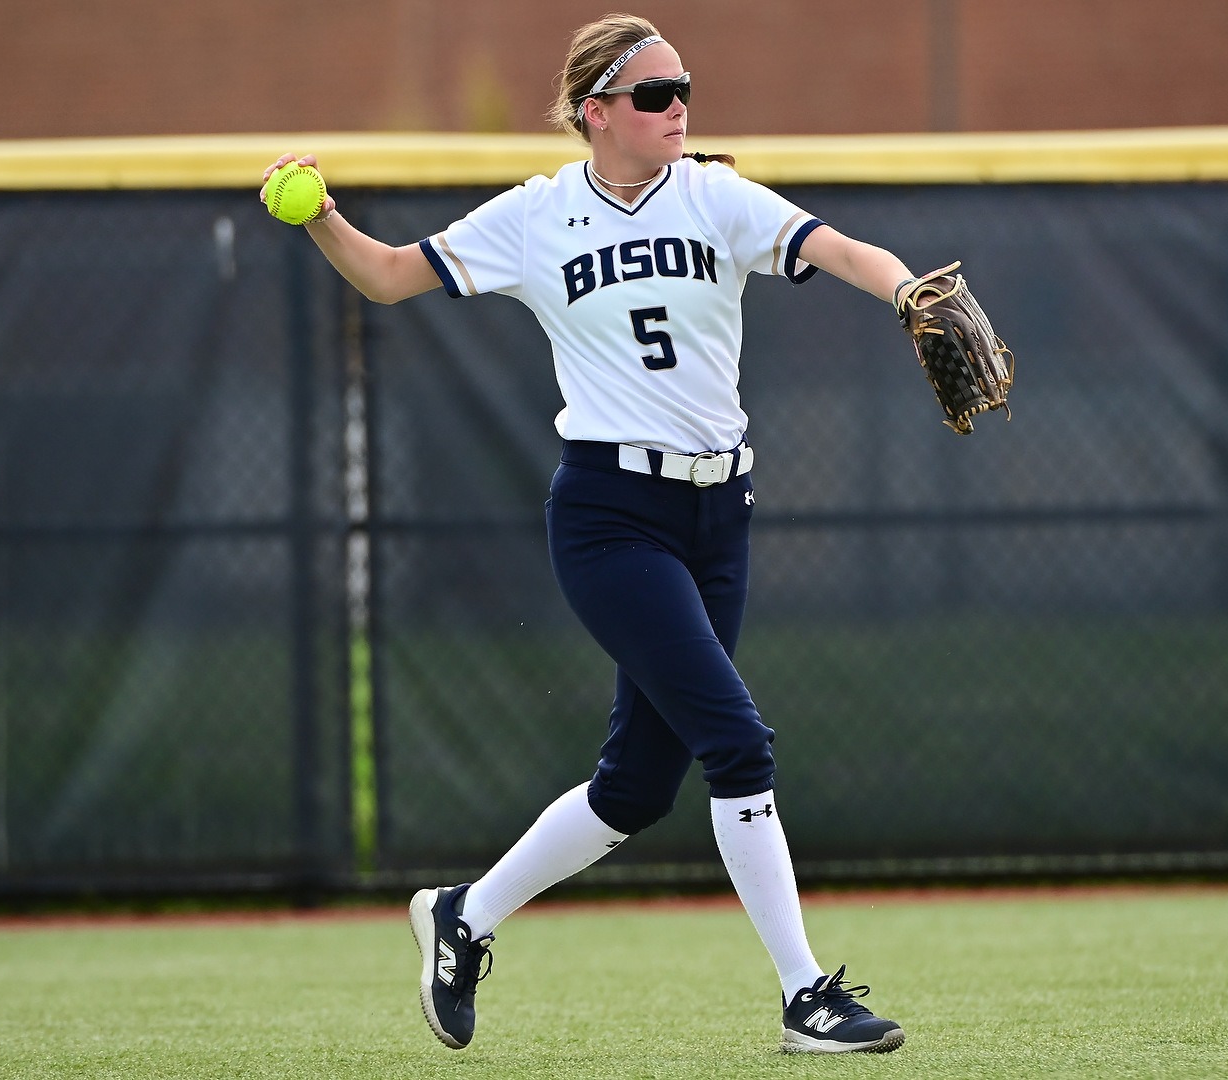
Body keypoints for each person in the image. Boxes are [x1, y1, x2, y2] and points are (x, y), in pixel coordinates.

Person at [263, 13, 928, 1056]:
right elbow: (391, 276)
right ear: (597, 112)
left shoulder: (714, 193)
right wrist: (320, 218)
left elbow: (833, 246)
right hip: (611, 516)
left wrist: (906, 291)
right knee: (737, 741)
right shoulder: (536, 217)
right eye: (657, 94)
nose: (679, 110)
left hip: (719, 514)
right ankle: (807, 996)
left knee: (635, 788)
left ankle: (462, 916)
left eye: (685, 90)